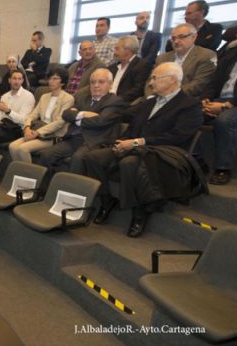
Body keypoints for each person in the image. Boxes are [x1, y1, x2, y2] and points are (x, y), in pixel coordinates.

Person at [82, 62, 203, 237]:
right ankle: (107, 200)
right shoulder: (149, 103)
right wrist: (123, 143)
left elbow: (177, 136)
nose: (151, 82)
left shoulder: (189, 105)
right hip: (135, 147)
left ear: (172, 80)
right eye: (151, 77)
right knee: (93, 157)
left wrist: (137, 143)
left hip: (164, 153)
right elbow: (132, 128)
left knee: (129, 163)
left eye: (155, 78)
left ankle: (140, 212)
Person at [37, 68, 125, 173]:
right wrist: (83, 114)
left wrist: (77, 118)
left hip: (95, 141)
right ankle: (51, 187)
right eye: (93, 82)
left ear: (110, 84)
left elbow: (100, 121)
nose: (96, 85)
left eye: (101, 82)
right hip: (74, 139)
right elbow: (66, 114)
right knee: (46, 155)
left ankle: (73, 189)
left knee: (78, 158)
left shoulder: (115, 101)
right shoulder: (83, 98)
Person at [202, 26, 237, 185]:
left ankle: (223, 168)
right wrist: (205, 98)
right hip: (220, 99)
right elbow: (214, 81)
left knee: (225, 120)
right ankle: (197, 159)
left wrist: (227, 105)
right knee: (189, 113)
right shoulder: (229, 56)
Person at [9, 68, 74, 163]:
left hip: (53, 135)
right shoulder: (44, 97)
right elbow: (31, 116)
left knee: (23, 149)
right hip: (38, 132)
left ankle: (30, 176)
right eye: (50, 78)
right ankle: (20, 175)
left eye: (55, 78)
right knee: (12, 146)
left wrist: (37, 133)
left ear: (62, 82)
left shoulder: (68, 98)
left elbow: (59, 123)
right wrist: (27, 128)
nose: (51, 81)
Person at [154, 23, 216, 98]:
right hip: (157, 98)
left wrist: (169, 94)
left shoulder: (206, 55)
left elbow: (198, 84)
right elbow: (151, 81)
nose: (176, 41)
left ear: (193, 37)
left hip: (185, 100)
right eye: (173, 38)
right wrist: (150, 97)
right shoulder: (162, 58)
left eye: (181, 37)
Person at [0, 70, 35, 153]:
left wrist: (8, 111)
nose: (16, 81)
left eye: (19, 79)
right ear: (9, 80)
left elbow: (23, 120)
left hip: (17, 129)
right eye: (14, 78)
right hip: (5, 126)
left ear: (22, 81)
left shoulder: (28, 96)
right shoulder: (5, 96)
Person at [107, 36, 151, 103]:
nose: (114, 52)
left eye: (117, 49)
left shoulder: (142, 65)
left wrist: (116, 100)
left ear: (127, 50)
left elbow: (138, 90)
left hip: (123, 103)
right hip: (106, 101)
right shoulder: (112, 68)